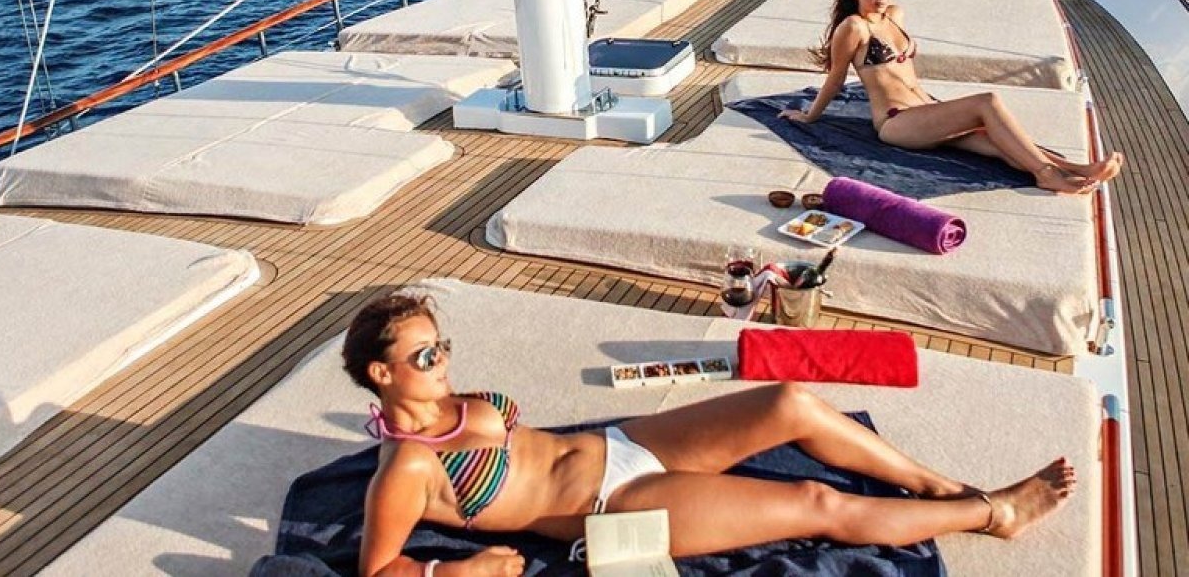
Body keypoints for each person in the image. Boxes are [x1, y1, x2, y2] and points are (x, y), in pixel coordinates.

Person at [344, 292, 1076, 577]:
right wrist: (459, 572)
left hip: (624, 443)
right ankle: (991, 512)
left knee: (787, 401)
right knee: (815, 503)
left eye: (442, 346)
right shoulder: (405, 471)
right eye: (425, 356)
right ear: (382, 373)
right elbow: (378, 571)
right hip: (611, 506)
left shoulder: (448, 400)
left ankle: (932, 483)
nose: (444, 362)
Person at [779, 0, 1123, 194]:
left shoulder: (895, 14)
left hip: (926, 109)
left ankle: (1076, 169)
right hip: (897, 122)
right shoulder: (853, 27)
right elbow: (837, 78)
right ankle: (1047, 175)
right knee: (987, 102)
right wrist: (809, 116)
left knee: (998, 140)